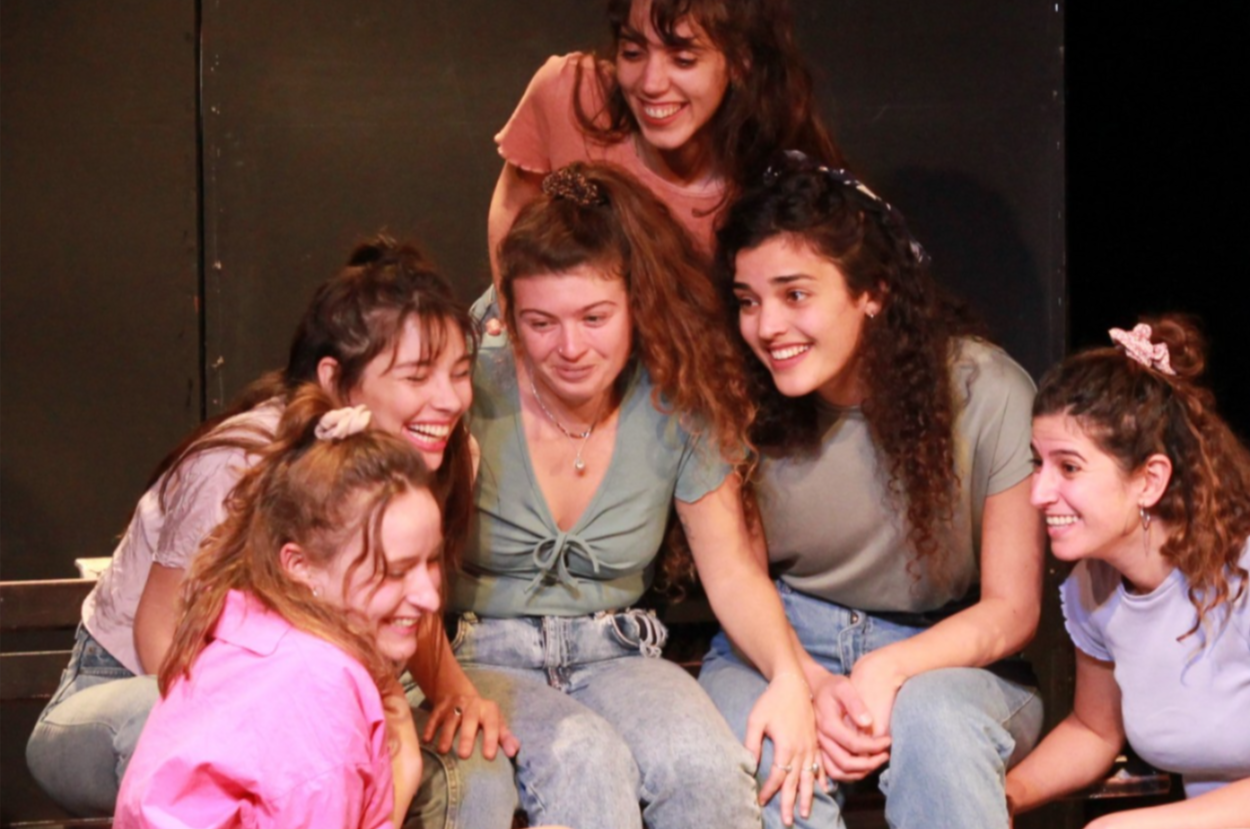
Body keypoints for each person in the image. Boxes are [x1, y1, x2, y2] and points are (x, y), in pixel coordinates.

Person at [28, 238, 516, 825]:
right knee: (279, 741)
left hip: (320, 677)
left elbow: (400, 588)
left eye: (460, 374)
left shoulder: (434, 457)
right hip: (146, 682)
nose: (448, 399)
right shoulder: (243, 463)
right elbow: (165, 643)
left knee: (466, 768)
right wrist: (334, 712)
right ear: (337, 378)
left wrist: (450, 694)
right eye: (417, 376)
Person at [453, 161, 819, 829]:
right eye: (541, 322)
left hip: (616, 648)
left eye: (595, 317)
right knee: (585, 762)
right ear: (510, 313)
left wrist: (790, 677)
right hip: (484, 654)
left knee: (708, 771)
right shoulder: (469, 387)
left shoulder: (675, 398)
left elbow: (732, 572)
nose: (570, 346)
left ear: (633, 305)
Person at [700, 153, 1045, 829]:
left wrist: (888, 670)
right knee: (774, 753)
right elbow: (740, 579)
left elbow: (1013, 608)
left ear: (872, 292)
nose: (766, 326)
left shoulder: (985, 391)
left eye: (795, 295)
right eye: (748, 300)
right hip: (779, 641)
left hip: (942, 650)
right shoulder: (734, 400)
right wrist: (805, 680)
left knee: (937, 726)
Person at [1006, 318, 1250, 829]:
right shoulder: (1090, 586)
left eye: (1069, 467)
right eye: (1038, 463)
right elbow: (1094, 731)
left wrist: (1119, 827)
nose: (1038, 493)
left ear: (1150, 480)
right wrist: (1004, 796)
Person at [114, 391, 441, 827]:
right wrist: (401, 781)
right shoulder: (317, 683)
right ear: (300, 566)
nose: (429, 596)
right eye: (394, 572)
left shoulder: (255, 625)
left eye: (431, 561)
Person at [487, 0, 842, 269]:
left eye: (683, 60)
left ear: (740, 62)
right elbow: (512, 204)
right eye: (633, 53)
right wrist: (514, 323)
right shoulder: (571, 94)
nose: (651, 84)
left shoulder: (772, 183)